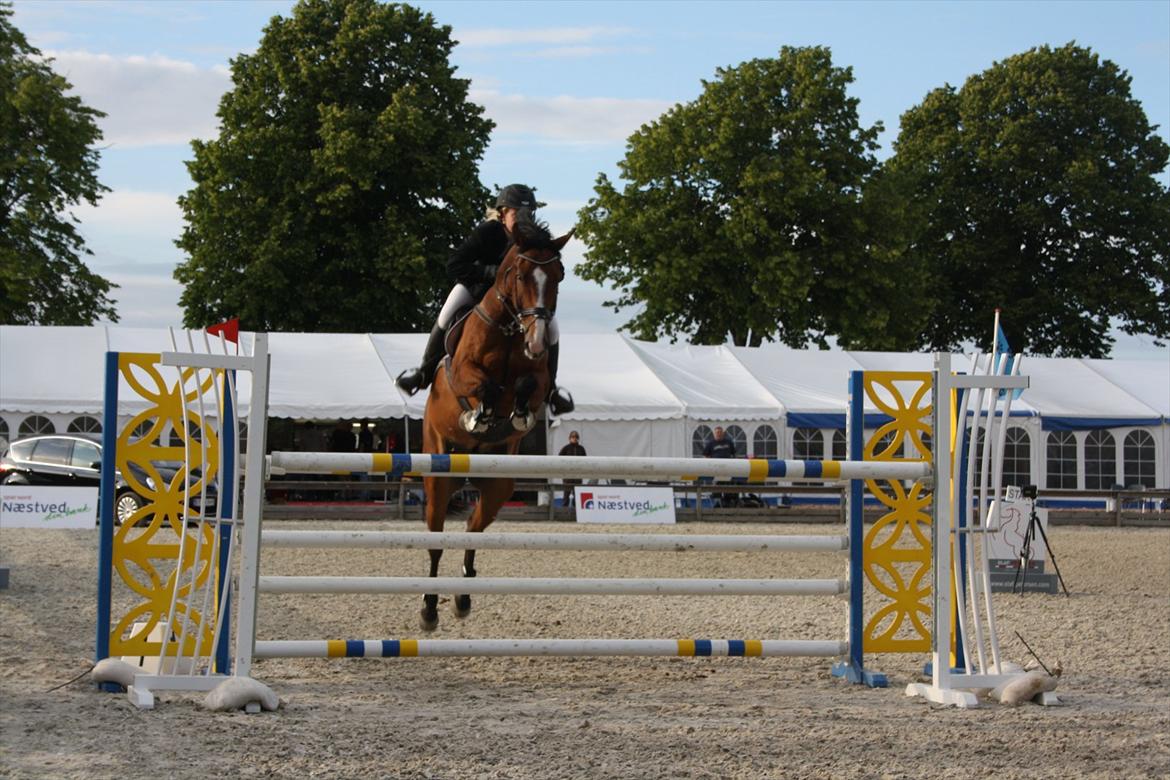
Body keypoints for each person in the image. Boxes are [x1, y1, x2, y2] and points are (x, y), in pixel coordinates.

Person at [395, 184, 573, 415]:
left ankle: (552, 390)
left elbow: (549, 267)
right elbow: (455, 264)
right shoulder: (488, 232)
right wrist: (491, 274)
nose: (523, 218)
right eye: (516, 213)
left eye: (527, 214)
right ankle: (423, 373)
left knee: (553, 327)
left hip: (516, 303)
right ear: (502, 213)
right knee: (446, 312)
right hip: (477, 290)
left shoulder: (534, 240)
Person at [703, 426, 738, 507]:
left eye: (720, 432)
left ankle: (728, 504)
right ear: (714, 434)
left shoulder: (728, 442)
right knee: (717, 488)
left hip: (728, 470)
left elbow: (734, 454)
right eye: (717, 433)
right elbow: (705, 455)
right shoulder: (710, 443)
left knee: (728, 487)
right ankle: (717, 504)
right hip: (716, 470)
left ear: (723, 433)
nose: (718, 434)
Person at [558, 430, 587, 511]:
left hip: (578, 476)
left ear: (578, 439)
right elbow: (559, 459)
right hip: (567, 476)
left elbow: (585, 461)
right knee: (566, 495)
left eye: (576, 437)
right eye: (573, 437)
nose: (574, 439)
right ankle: (564, 512)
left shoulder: (581, 449)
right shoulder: (565, 448)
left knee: (577, 495)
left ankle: (577, 513)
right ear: (569, 438)